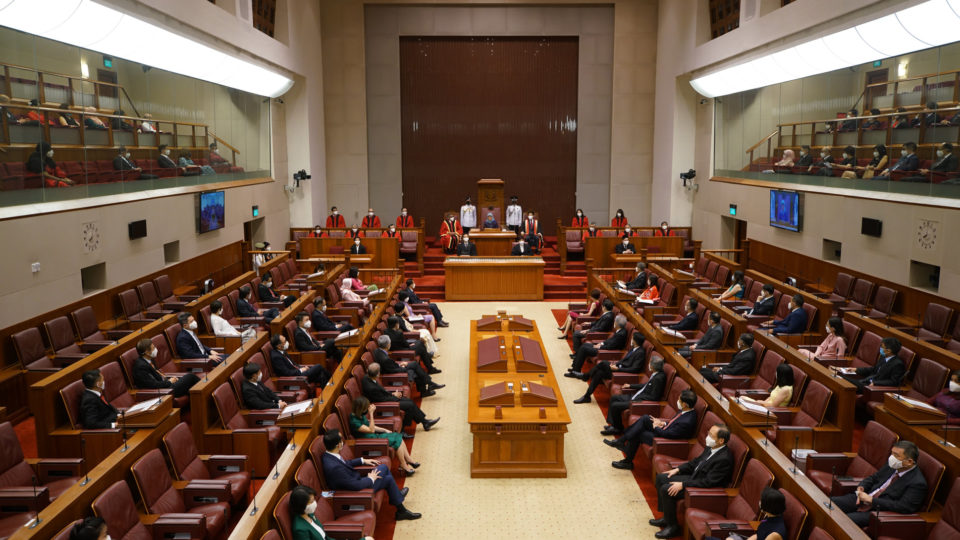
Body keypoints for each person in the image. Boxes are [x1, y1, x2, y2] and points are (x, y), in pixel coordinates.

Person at [650, 423, 733, 538]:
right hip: (694, 477)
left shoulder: (724, 459)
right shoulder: (711, 447)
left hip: (702, 489)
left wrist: (683, 484)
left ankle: (672, 526)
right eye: (708, 433)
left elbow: (708, 482)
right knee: (661, 478)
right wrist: (678, 470)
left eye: (711, 435)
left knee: (666, 489)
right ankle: (666, 517)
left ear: (721, 441)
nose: (707, 437)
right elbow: (695, 462)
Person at [321, 429, 420, 520]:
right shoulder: (334, 467)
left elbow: (345, 464)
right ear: (338, 445)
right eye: (341, 440)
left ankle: (400, 508)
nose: (343, 442)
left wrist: (363, 460)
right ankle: (400, 505)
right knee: (386, 474)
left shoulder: (328, 455)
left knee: (385, 472)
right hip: (355, 491)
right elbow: (355, 485)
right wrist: (370, 479)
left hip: (354, 481)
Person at [829, 441, 927, 528]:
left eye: (896, 455)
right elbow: (874, 478)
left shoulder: (918, 483)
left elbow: (903, 507)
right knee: (829, 503)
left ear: (909, 462)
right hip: (863, 498)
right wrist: (862, 486)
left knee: (844, 521)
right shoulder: (892, 464)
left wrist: (872, 500)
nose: (891, 458)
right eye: (892, 453)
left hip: (879, 511)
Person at [606, 389, 699, 471]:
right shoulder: (686, 410)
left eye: (679, 400)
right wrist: (662, 423)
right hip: (665, 430)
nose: (677, 401)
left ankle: (626, 459)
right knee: (646, 418)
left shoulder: (687, 421)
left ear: (685, 404)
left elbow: (668, 434)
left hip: (666, 440)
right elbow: (673, 424)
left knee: (639, 433)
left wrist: (656, 427)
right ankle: (622, 441)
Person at [362, 363, 439, 433]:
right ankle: (407, 429)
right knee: (409, 405)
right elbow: (381, 399)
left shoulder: (367, 377)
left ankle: (425, 422)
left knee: (410, 402)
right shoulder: (371, 388)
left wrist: (392, 394)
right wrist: (394, 396)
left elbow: (382, 392)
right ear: (378, 374)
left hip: (386, 398)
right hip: (383, 405)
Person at [350, 396, 418, 474]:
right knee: (396, 439)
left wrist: (384, 430)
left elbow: (369, 425)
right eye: (366, 408)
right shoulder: (354, 421)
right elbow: (371, 430)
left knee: (397, 435)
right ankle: (403, 465)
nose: (368, 409)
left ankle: (408, 460)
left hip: (373, 437)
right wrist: (371, 414)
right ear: (360, 409)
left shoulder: (359, 415)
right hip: (369, 441)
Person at [572, 333, 646, 403]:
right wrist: (616, 364)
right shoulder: (633, 348)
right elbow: (623, 361)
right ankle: (587, 396)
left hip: (621, 374)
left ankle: (586, 376)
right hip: (617, 368)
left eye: (632, 338)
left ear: (635, 341)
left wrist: (618, 369)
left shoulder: (640, 353)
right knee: (599, 373)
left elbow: (634, 369)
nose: (631, 340)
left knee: (604, 363)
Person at [602, 356, 667, 435]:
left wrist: (639, 399)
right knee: (614, 398)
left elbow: (654, 397)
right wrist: (630, 385)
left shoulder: (659, 378)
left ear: (652, 366)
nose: (648, 365)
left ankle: (617, 429)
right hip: (636, 396)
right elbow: (646, 386)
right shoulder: (656, 374)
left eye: (650, 363)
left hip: (640, 401)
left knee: (615, 406)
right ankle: (614, 425)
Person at [288, 485, 375, 540]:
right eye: (311, 502)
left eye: (314, 500)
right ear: (301, 505)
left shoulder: (310, 514)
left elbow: (325, 537)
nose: (314, 503)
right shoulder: (299, 529)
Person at [375, 334, 441, 396]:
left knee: (415, 369)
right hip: (393, 377)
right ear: (388, 345)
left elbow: (390, 366)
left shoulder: (377, 351)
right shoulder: (385, 359)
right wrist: (403, 366)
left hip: (393, 368)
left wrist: (400, 364)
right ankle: (429, 385)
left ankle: (427, 387)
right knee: (414, 367)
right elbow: (393, 370)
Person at [840, 336, 905, 393]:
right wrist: (856, 369)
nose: (880, 348)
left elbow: (893, 382)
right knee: (840, 379)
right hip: (865, 382)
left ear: (888, 351)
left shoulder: (898, 364)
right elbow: (873, 369)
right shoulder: (883, 357)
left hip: (874, 389)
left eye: (882, 347)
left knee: (842, 380)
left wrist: (876, 383)